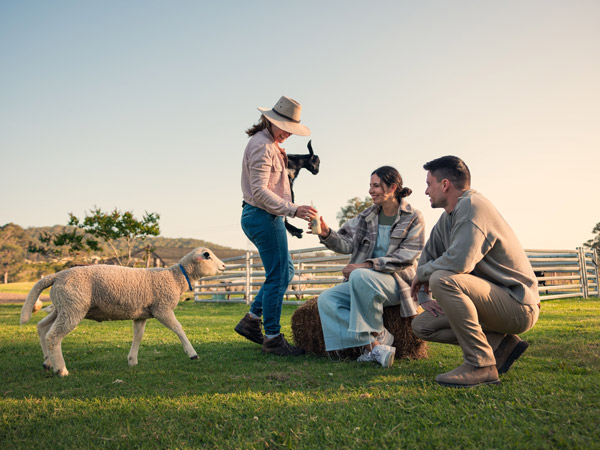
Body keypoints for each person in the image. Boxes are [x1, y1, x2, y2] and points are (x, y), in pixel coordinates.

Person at [410, 156, 540, 387]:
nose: (426, 191)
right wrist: (423, 296)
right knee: (422, 326)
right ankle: (499, 343)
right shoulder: (445, 220)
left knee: (443, 278)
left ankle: (480, 365)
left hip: (519, 304)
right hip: (491, 304)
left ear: (445, 184)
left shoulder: (472, 206)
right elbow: (425, 261)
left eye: (429, 184)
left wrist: (425, 275)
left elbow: (460, 262)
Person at [312, 166, 426, 368]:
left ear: (392, 187)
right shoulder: (366, 217)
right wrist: (325, 232)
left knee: (359, 276)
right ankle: (376, 342)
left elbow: (406, 257)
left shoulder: (414, 217)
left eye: (376, 186)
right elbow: (345, 243)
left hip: (398, 283)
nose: (371, 191)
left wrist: (365, 266)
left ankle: (373, 338)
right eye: (370, 186)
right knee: (327, 299)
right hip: (365, 281)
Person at [234, 96, 317, 356]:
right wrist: (293, 209)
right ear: (271, 120)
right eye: (285, 128)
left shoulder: (268, 143)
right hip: (263, 216)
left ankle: (251, 320)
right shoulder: (263, 146)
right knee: (278, 274)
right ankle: (272, 337)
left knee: (285, 272)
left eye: (291, 131)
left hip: (262, 216)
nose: (288, 135)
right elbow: (259, 190)